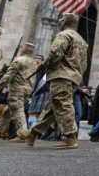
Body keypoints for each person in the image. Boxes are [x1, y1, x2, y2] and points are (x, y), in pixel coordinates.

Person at [17, 13, 88, 150]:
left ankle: (70, 137)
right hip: (74, 77)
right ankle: (33, 134)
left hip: (62, 75)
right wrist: (77, 75)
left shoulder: (63, 35)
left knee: (63, 104)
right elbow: (84, 64)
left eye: (62, 19)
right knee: (51, 107)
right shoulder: (82, 40)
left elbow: (55, 53)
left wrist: (44, 65)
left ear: (66, 21)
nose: (60, 21)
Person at [0, 42, 36, 143]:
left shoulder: (19, 60)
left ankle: (24, 133)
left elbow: (7, 76)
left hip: (17, 89)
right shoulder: (33, 62)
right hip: (27, 90)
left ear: (23, 50)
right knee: (8, 112)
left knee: (18, 110)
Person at [27, 55, 49, 130]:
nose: (37, 60)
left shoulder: (44, 70)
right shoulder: (31, 69)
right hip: (32, 94)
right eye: (36, 58)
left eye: (39, 59)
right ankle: (31, 130)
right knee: (31, 113)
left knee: (35, 113)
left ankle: (32, 131)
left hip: (41, 92)